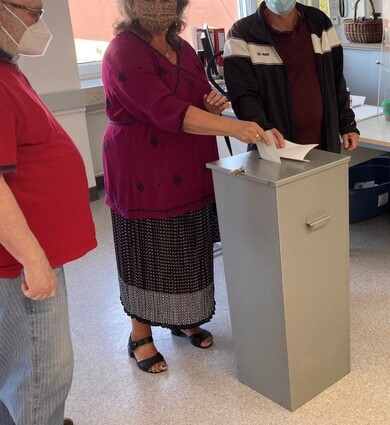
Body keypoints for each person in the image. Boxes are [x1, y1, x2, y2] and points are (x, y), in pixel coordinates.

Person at [103, 0, 274, 374]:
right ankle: (140, 333)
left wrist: (212, 107)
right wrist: (234, 126)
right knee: (147, 250)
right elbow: (162, 108)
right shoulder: (123, 51)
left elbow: (195, 98)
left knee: (187, 244)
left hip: (189, 163)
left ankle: (184, 317)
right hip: (142, 171)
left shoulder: (182, 47)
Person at [0, 0, 97, 425]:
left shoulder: (8, 68)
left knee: (15, 365)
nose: (40, 23)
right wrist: (34, 261)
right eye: (34, 12)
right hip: (19, 262)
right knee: (43, 373)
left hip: (24, 254)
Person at [223, 0, 359, 153]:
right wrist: (263, 128)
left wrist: (347, 124)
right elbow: (243, 96)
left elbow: (336, 81)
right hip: (274, 148)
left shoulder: (319, 22)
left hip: (324, 146)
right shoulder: (242, 33)